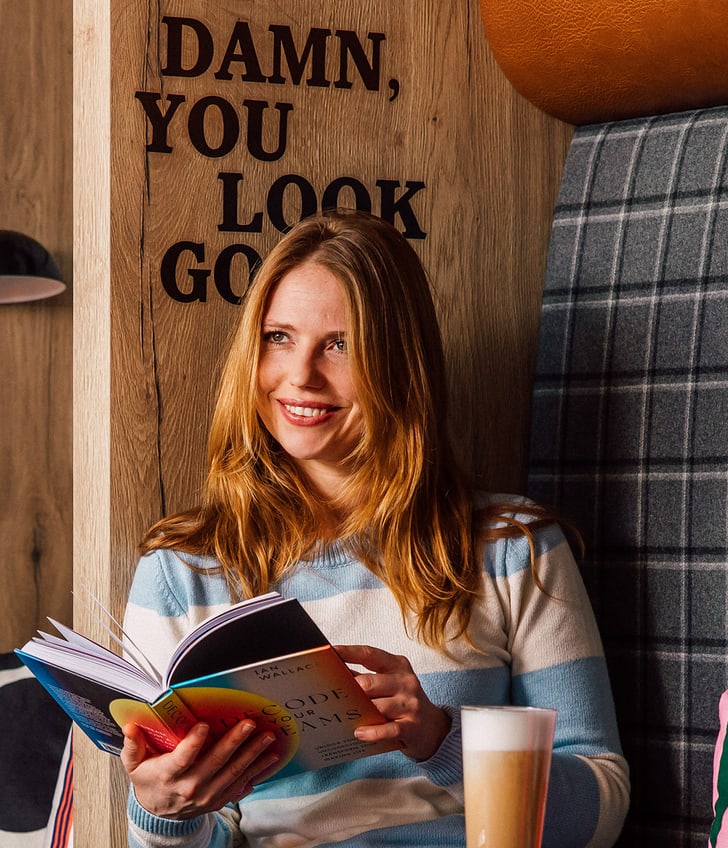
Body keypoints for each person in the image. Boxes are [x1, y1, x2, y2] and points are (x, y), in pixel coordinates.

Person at [121, 208, 630, 848]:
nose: (301, 375)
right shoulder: (181, 571)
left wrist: (443, 740)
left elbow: (604, 802)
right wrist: (165, 813)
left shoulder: (512, 548)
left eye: (340, 345)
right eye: (279, 337)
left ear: (401, 363)